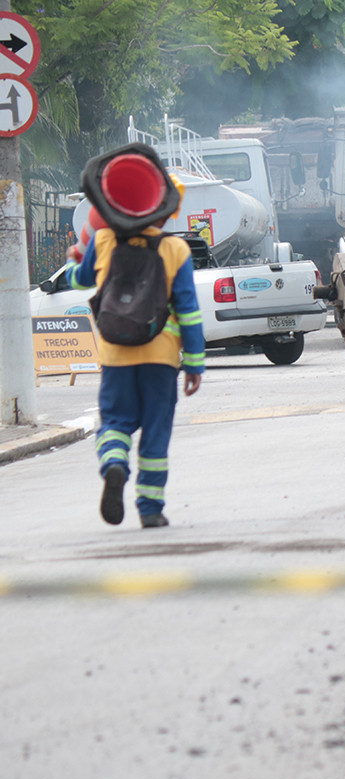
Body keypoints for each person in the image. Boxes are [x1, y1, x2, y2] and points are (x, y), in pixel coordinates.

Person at [70, 175, 205, 528]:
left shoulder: (102, 240)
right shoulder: (175, 249)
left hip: (115, 354)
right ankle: (150, 508)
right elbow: (188, 311)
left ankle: (114, 463)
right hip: (160, 359)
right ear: (169, 209)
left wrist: (75, 259)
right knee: (156, 431)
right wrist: (193, 362)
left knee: (115, 423)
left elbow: (80, 279)